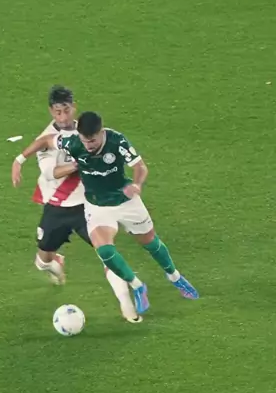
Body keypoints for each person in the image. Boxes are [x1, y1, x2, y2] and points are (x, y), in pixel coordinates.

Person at [12, 110, 199, 314]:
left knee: (150, 243)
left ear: (101, 132)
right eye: (84, 140)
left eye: (92, 140)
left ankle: (175, 277)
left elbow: (140, 167)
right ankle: (138, 286)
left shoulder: (117, 141)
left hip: (125, 200)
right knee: (105, 251)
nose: (88, 146)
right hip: (97, 206)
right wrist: (19, 160)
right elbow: (46, 140)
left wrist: (137, 184)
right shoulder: (73, 142)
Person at [26, 86, 143, 323]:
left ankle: (127, 304)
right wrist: (80, 162)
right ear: (51, 111)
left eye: (66, 110)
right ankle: (54, 263)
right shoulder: (47, 140)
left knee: (107, 253)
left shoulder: (88, 131)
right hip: (58, 207)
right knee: (42, 260)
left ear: (74, 107)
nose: (63, 117)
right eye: (57, 112)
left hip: (89, 206)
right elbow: (51, 173)